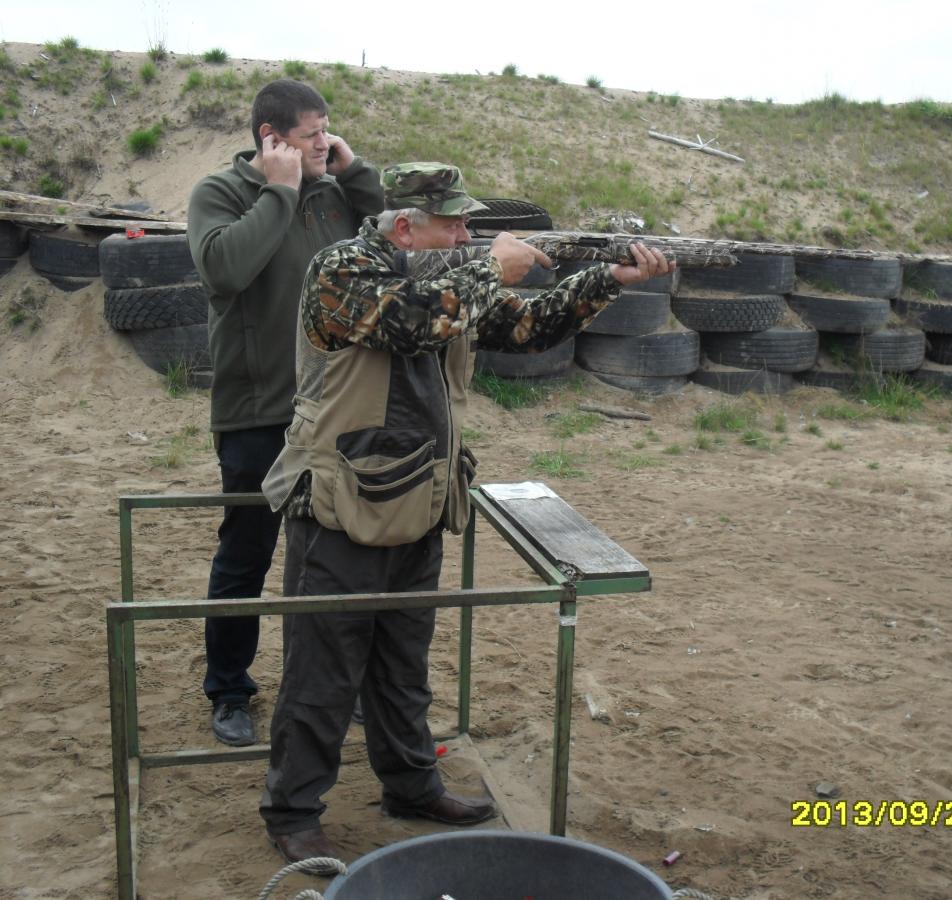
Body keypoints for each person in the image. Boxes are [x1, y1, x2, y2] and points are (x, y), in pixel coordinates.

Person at [257, 162, 674, 862]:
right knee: (321, 675)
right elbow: (407, 322)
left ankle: (411, 785)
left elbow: (529, 328)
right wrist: (491, 269)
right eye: (451, 225)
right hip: (340, 508)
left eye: (466, 227)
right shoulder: (341, 270)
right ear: (403, 227)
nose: (464, 237)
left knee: (402, 667)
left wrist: (608, 279)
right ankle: (293, 811)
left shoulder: (449, 279)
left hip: (419, 499)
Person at [187, 79, 384, 747]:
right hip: (256, 411)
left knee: (338, 557)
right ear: (272, 139)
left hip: (333, 408)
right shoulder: (221, 193)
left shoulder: (333, 191)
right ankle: (230, 690)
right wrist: (278, 190)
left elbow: (396, 240)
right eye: (310, 134)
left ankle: (332, 685)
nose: (325, 142)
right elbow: (224, 271)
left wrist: (353, 172)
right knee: (246, 555)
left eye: (328, 128)